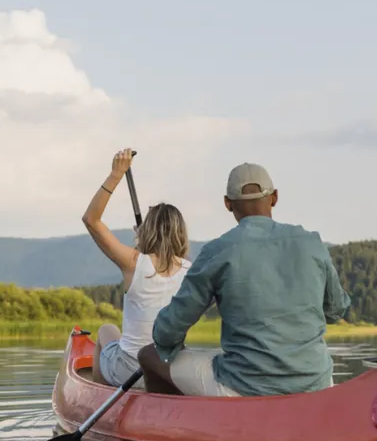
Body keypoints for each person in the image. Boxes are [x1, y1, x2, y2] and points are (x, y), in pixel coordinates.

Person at [136, 162, 351, 397]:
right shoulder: (312, 243)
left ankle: (169, 427)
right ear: (275, 197)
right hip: (316, 382)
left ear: (228, 204)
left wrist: (170, 344)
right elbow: (336, 310)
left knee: (149, 355)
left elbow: (169, 329)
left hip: (243, 387)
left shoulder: (218, 251)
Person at [82, 147, 193, 389]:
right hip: (168, 371)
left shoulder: (133, 262)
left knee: (106, 330)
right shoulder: (191, 270)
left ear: (147, 231)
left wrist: (116, 174)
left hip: (131, 370)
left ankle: (101, 395)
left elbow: (91, 219)